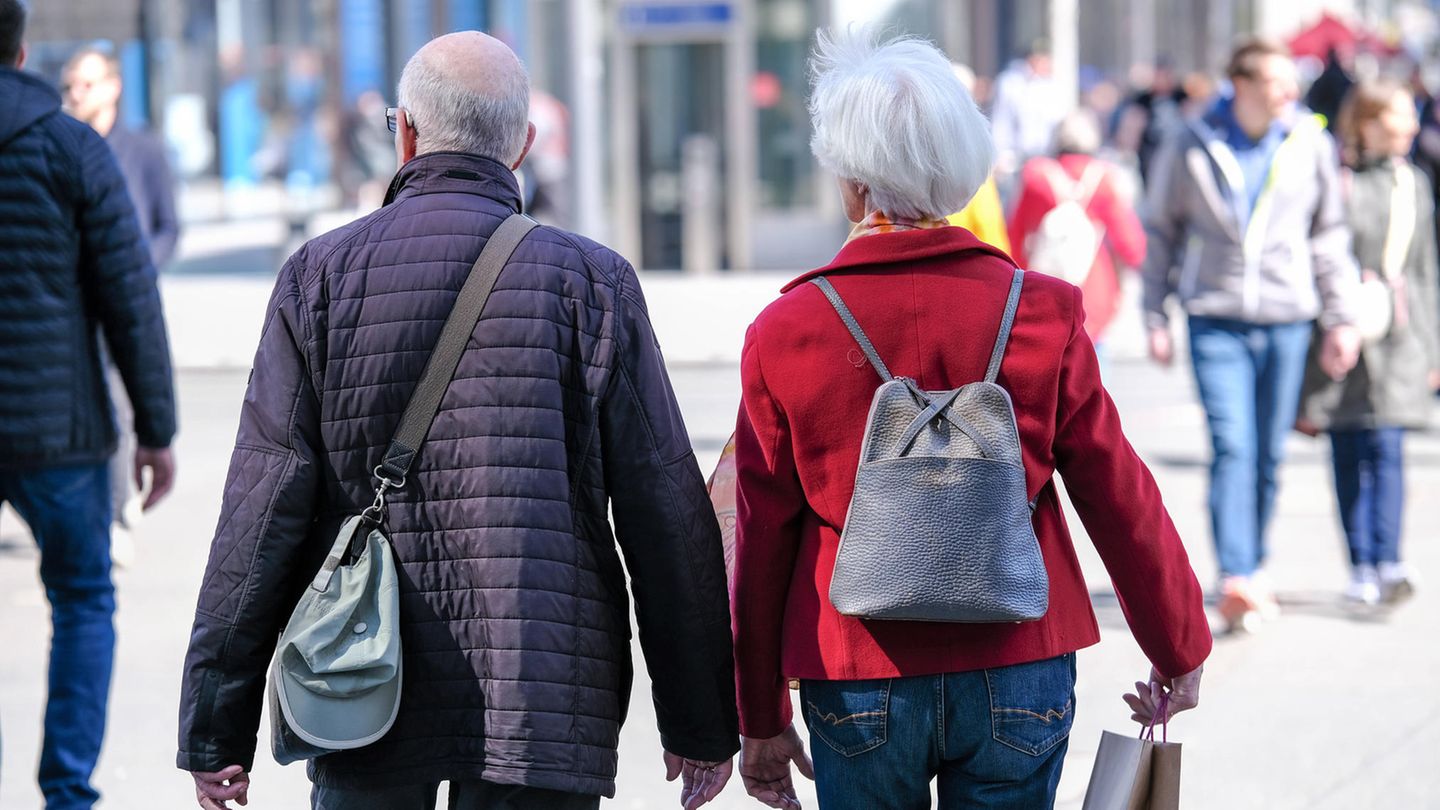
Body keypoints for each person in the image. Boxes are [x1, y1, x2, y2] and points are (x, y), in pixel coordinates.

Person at [176, 31, 738, 810]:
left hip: (362, 694)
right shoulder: (594, 282)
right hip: (543, 705)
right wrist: (701, 722)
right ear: (524, 145)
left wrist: (215, 726)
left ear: (403, 131)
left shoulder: (320, 277)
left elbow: (261, 509)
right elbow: (665, 510)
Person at [730, 30, 1210, 810]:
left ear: (851, 185)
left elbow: (764, 532)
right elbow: (1116, 489)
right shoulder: (1043, 309)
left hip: (857, 670)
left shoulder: (789, 330)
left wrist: (759, 715)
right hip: (1020, 656)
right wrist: (1177, 640)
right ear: (963, 168)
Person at [0, 2, 178, 807]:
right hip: (57, 430)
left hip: (57, 425)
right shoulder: (70, 145)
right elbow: (129, 294)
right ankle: (66, 789)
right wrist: (156, 428)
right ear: (24, 49)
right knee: (82, 597)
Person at [1142, 38, 1361, 633]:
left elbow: (1328, 234)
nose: (1290, 93)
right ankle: (1235, 572)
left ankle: (1255, 562)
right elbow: (1160, 229)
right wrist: (1156, 316)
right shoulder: (1191, 140)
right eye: (1276, 82)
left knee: (1267, 454)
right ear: (1240, 84)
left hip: (1289, 318)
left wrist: (1342, 318)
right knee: (1233, 444)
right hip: (1215, 317)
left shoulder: (1308, 141)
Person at [1298, 79, 1440, 605]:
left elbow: (1424, 270)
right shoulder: (1337, 180)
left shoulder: (1414, 184)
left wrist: (1431, 346)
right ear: (1364, 124)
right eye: (1394, 118)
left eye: (1409, 117)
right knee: (1347, 443)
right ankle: (1360, 564)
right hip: (1342, 329)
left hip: (1399, 333)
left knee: (1389, 445)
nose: (1407, 128)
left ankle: (1389, 559)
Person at [61, 45, 182, 567]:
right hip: (76, 305)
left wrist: (137, 272)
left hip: (129, 299)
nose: (74, 95)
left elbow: (168, 226)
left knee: (121, 403)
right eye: (69, 86)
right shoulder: (61, 146)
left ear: (112, 86)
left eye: (84, 85)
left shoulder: (143, 149)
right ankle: (108, 509)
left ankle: (114, 511)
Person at [1008, 109, 1146, 365]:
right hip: (1093, 287)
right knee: (1093, 370)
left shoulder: (1036, 176)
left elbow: (1015, 235)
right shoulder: (1104, 178)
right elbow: (1130, 243)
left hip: (1044, 284)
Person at [990, 39, 1066, 194]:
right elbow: (1002, 122)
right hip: (1018, 157)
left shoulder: (1052, 85)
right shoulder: (1011, 83)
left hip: (1047, 156)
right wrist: (1001, 154)